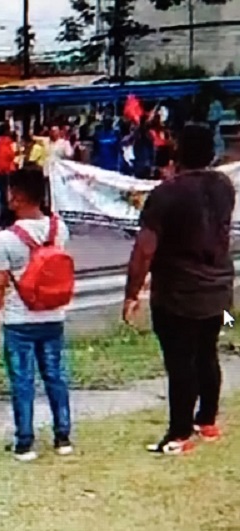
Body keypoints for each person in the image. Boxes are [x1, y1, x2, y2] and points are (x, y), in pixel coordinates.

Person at [123, 124, 234, 455]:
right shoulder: (224, 186)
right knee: (207, 353)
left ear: (178, 152)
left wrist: (132, 293)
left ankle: (179, 433)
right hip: (218, 288)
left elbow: (144, 248)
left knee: (180, 362)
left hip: (177, 293)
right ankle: (207, 420)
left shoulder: (165, 194)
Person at [0, 167, 74, 462]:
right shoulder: (59, 229)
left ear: (19, 196)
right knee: (56, 377)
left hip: (19, 320)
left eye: (11, 192)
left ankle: (25, 442)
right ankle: (63, 437)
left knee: (23, 381)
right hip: (54, 316)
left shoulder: (7, 239)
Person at [0, 123, 17, 229]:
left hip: (0, 171)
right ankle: (10, 218)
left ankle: (4, 220)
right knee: (11, 195)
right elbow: (16, 155)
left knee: (3, 196)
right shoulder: (11, 143)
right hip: (10, 171)